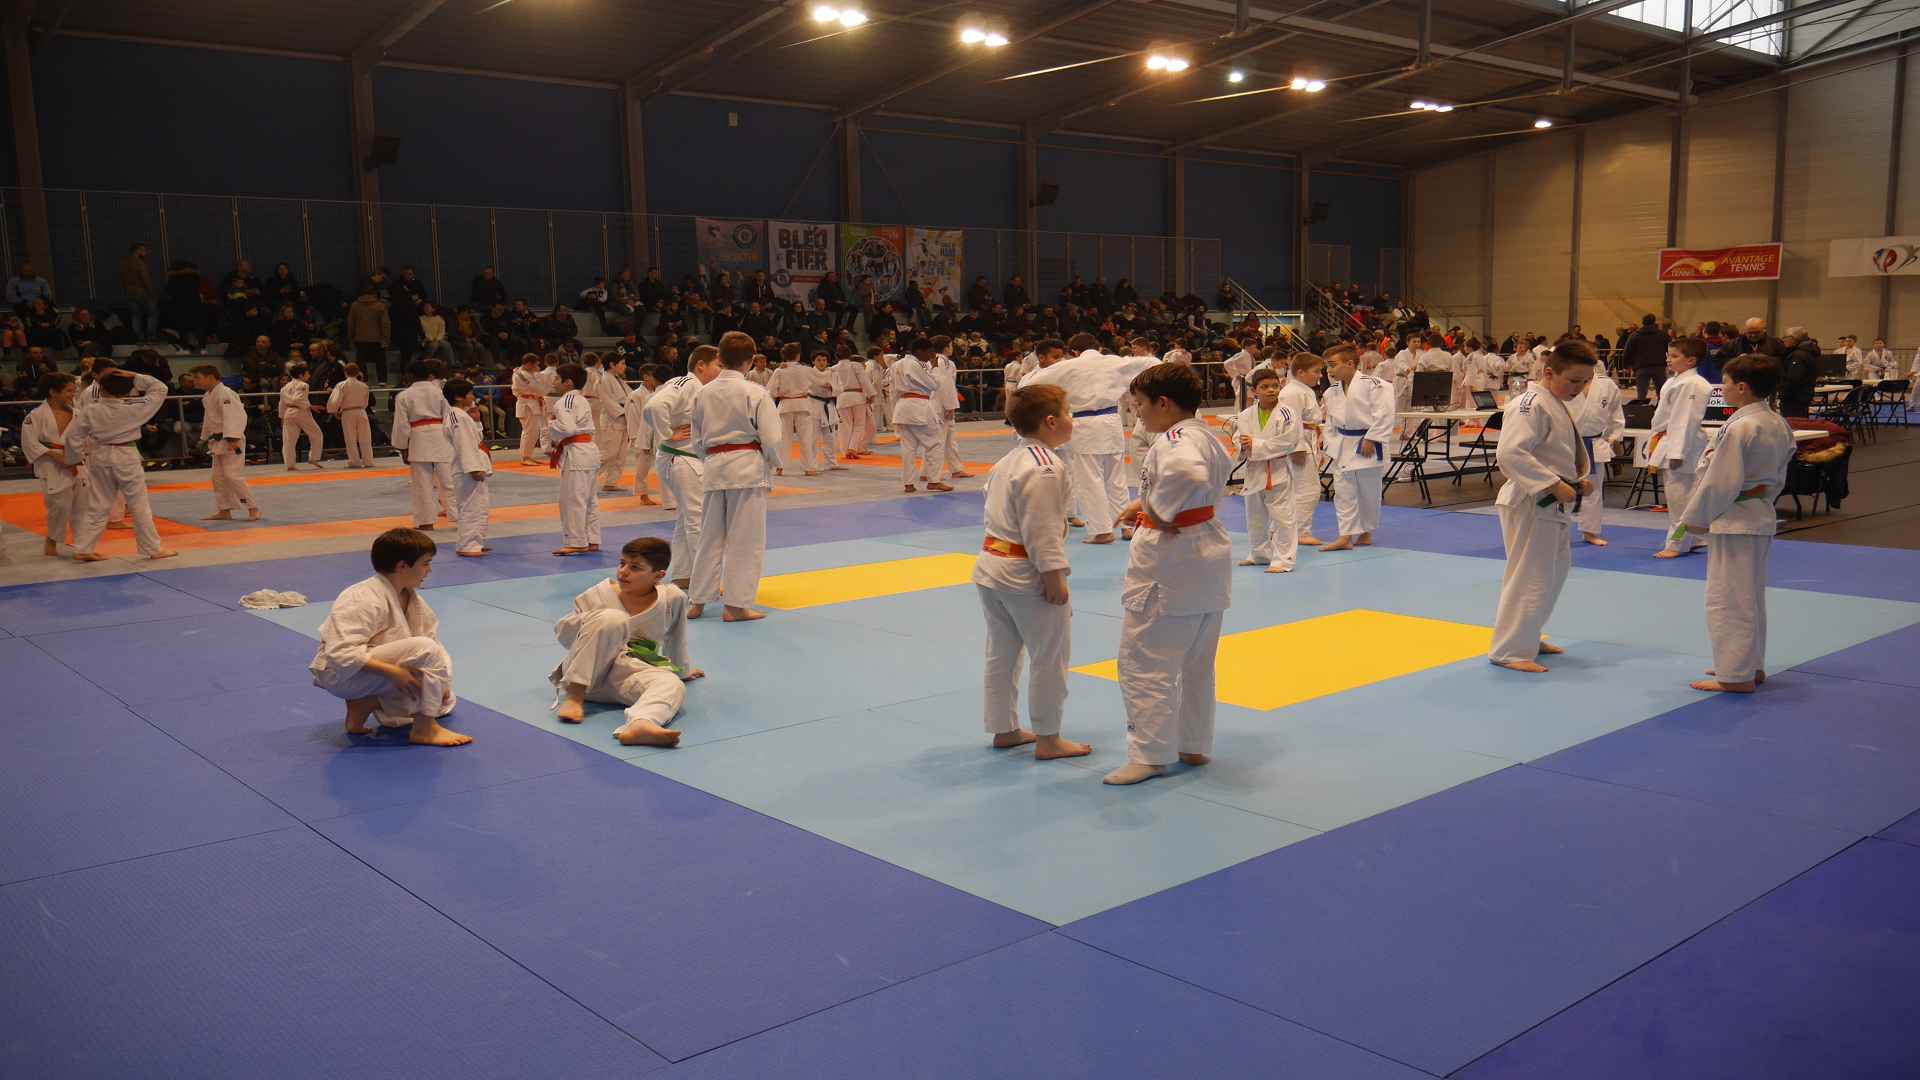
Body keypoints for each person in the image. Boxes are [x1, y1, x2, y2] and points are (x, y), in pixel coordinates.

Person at [1104, 362, 1234, 786]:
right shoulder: (1204, 434)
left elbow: (1185, 472)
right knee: (1197, 661)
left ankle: (1149, 755)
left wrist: (1159, 511)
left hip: (1170, 561)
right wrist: (1145, 503)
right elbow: (1201, 480)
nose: (1137, 413)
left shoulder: (1175, 439)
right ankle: (1193, 744)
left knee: (1145, 661)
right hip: (1205, 553)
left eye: (1140, 404)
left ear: (1163, 403)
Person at [975, 383, 1091, 760]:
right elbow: (1040, 527)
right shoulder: (1044, 467)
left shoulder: (1010, 459)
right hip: (1024, 572)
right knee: (1049, 657)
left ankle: (1004, 728)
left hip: (992, 566)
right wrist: (1053, 574)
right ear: (1051, 421)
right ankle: (1048, 738)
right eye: (1069, 412)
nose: (1073, 419)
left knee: (1002, 652)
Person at [1679, 354, 1796, 694]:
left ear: (1742, 387)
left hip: (1734, 519)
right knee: (1750, 596)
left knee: (1729, 598)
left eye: (1726, 383)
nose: (1722, 389)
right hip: (1758, 515)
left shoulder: (1741, 426)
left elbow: (1720, 481)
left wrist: (1695, 519)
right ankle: (1749, 665)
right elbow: (1778, 477)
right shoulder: (1776, 422)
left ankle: (1735, 675)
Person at [1488, 340, 1597, 674]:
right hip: (1531, 501)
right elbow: (1510, 453)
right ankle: (1510, 650)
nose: (1579, 388)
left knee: (1552, 574)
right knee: (1530, 576)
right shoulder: (1529, 403)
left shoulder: (1554, 401)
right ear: (1549, 372)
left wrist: (1577, 479)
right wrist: (1552, 483)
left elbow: (1552, 452)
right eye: (1573, 380)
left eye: (1585, 382)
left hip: (1551, 503)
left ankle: (1529, 636)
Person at [309, 528, 469, 746]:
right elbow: (340, 653)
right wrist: (393, 672)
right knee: (426, 651)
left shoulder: (410, 597)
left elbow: (433, 643)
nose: (429, 570)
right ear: (402, 566)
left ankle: (365, 703)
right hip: (342, 674)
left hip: (370, 671)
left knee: (444, 702)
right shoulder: (361, 598)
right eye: (425, 563)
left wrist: (442, 682)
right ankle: (425, 729)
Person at [551, 537, 705, 746]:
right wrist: (596, 623)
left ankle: (642, 723)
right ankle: (574, 697)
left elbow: (676, 637)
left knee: (671, 683)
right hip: (587, 673)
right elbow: (565, 635)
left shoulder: (672, 598)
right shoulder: (599, 594)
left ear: (658, 575)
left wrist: (682, 671)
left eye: (635, 567)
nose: (623, 572)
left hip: (626, 675)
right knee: (612, 618)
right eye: (622, 563)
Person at [688, 331, 784, 623]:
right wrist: (774, 463)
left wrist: (711, 459)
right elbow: (771, 438)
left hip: (714, 467)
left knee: (709, 537)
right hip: (747, 468)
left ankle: (697, 601)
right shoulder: (756, 392)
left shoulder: (703, 393)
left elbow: (696, 440)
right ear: (751, 360)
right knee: (746, 540)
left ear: (719, 358)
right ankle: (736, 606)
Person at [1021, 333, 1153, 545]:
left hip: (1086, 424)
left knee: (1090, 480)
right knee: (1116, 478)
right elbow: (1151, 363)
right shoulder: (1115, 361)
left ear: (1074, 351)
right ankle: (1127, 526)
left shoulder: (1069, 366)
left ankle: (1101, 531)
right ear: (1098, 347)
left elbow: (1028, 384)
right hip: (1112, 420)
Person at [65, 369, 177, 563]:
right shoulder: (135, 406)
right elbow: (160, 388)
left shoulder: (90, 409)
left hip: (99, 454)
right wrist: (133, 375)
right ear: (129, 390)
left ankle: (83, 548)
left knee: (98, 503)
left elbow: (73, 437)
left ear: (100, 388)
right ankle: (153, 548)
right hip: (126, 455)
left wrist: (74, 460)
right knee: (138, 504)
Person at [644, 345, 723, 586]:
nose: (721, 370)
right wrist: (667, 434)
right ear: (701, 365)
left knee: (686, 519)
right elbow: (653, 406)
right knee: (698, 520)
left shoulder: (700, 389)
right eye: (718, 365)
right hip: (681, 458)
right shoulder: (686, 383)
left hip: (685, 459)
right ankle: (706, 579)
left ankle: (682, 574)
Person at [1316, 343, 1394, 552]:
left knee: (1369, 492)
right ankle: (1345, 535)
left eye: (1333, 365)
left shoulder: (1376, 385)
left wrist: (1372, 438)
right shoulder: (1331, 392)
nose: (1329, 370)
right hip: (1343, 445)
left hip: (1367, 445)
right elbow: (1330, 422)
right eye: (1327, 366)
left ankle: (1366, 533)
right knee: (1343, 493)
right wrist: (1330, 444)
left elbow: (1385, 414)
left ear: (1350, 363)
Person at [1649, 338, 1712, 559]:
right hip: (1673, 439)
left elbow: (1684, 420)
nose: (1668, 359)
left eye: (1674, 356)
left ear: (1691, 360)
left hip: (1684, 446)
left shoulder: (1693, 384)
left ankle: (1677, 544)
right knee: (1684, 497)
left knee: (1680, 500)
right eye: (1668, 355)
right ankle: (1695, 538)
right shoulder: (1675, 381)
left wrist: (1677, 452)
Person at [1235, 368, 1301, 573]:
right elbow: (1239, 438)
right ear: (1255, 391)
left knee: (1282, 516)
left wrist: (1255, 444)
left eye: (1274, 386)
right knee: (1254, 516)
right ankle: (1260, 554)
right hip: (1254, 470)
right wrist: (1243, 444)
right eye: (1265, 387)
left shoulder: (1287, 414)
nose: (1271, 390)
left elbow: (1288, 442)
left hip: (1277, 469)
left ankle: (1283, 560)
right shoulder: (1245, 415)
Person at [183, 366, 261, 522]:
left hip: (232, 440)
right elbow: (208, 419)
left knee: (232, 475)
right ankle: (224, 510)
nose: (195, 381)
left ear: (210, 377)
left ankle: (253, 508)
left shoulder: (226, 393)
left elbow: (236, 416)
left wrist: (233, 438)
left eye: (198, 377)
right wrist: (204, 438)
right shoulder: (208, 395)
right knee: (217, 477)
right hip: (217, 441)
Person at [21, 372, 85, 556]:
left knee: (82, 506)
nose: (73, 394)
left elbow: (87, 439)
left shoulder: (78, 414)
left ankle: (83, 546)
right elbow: (29, 442)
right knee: (59, 506)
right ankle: (51, 541)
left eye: (74, 390)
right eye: (68, 391)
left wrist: (76, 456)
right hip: (50, 465)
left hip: (78, 463)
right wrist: (56, 457)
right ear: (53, 392)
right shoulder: (36, 415)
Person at [391, 360, 454, 530]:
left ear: (410, 375)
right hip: (441, 435)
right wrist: (454, 438)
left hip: (418, 438)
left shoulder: (404, 395)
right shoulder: (438, 392)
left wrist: (403, 447)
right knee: (449, 480)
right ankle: (460, 517)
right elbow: (449, 416)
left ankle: (425, 522)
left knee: (422, 483)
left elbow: (401, 425)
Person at [548, 361, 602, 556]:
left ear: (568, 382)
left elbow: (568, 428)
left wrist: (550, 424)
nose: (554, 382)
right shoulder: (580, 399)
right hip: (587, 451)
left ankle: (576, 542)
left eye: (557, 378)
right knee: (589, 499)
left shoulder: (566, 400)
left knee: (573, 500)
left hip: (577, 453)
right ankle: (591, 538)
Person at [1571, 356, 1625, 547]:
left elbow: (1616, 414)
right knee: (1558, 487)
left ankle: (1590, 531)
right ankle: (1553, 530)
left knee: (1593, 490)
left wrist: (1613, 437)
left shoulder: (1606, 385)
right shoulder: (1565, 380)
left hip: (1593, 443)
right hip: (1565, 442)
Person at [893, 340, 953, 494]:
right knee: (935, 443)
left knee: (908, 448)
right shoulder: (914, 364)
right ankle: (934, 481)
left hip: (902, 406)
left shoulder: (897, 364)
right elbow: (934, 385)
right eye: (929, 352)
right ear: (920, 351)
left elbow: (893, 389)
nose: (931, 355)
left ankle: (908, 483)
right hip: (918, 405)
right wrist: (934, 368)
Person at [1281, 353, 1327, 546]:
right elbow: (1290, 423)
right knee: (1308, 489)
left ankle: (1290, 531)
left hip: (1307, 440)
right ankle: (1300, 532)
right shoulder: (1292, 393)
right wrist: (1297, 448)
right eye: (1316, 371)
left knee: (1298, 489)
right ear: (1300, 372)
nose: (1320, 375)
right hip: (1298, 444)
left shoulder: (1302, 390)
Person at [768, 343, 821, 476]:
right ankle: (809, 467)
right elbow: (820, 379)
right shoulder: (806, 369)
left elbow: (771, 391)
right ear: (798, 356)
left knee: (783, 437)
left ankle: (779, 467)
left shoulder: (779, 371)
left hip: (785, 404)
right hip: (803, 404)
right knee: (806, 437)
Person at [278, 361, 327, 470]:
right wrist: (309, 406)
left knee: (289, 440)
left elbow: (281, 404)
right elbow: (297, 399)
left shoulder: (284, 388)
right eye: (307, 373)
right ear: (301, 375)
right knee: (316, 434)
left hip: (288, 413)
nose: (309, 375)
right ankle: (313, 458)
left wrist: (281, 417)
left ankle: (290, 465)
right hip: (300, 412)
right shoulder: (303, 385)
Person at [624, 365, 662, 506]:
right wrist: (635, 438)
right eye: (653, 375)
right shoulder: (636, 395)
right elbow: (633, 418)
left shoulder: (656, 393)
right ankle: (643, 496)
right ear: (646, 376)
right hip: (640, 436)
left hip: (655, 435)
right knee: (642, 468)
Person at [594, 353, 631, 494]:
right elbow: (607, 401)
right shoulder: (603, 379)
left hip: (624, 419)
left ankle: (611, 482)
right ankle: (586, 479)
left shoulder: (618, 379)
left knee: (621, 455)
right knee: (609, 453)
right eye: (622, 363)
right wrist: (623, 413)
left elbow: (631, 397)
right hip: (612, 420)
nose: (624, 366)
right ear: (612, 364)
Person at [328, 362, 375, 468]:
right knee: (365, 437)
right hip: (361, 411)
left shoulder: (341, 385)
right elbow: (366, 403)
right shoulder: (364, 386)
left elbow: (335, 401)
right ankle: (368, 461)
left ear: (345, 372)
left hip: (348, 412)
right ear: (358, 373)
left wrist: (334, 410)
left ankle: (355, 461)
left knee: (350, 438)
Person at [832, 344, 876, 457]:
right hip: (857, 397)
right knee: (859, 424)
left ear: (837, 356)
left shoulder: (833, 368)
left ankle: (845, 450)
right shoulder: (855, 365)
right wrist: (871, 394)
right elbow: (864, 381)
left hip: (842, 398)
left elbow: (832, 386)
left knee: (845, 425)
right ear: (849, 354)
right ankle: (852, 448)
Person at [1621, 313, 1671, 401]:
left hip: (1641, 367)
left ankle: (1641, 408)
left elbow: (1627, 351)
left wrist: (1626, 365)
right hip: (1659, 366)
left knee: (1641, 393)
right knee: (1661, 392)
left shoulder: (1635, 335)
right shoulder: (1663, 335)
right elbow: (1670, 348)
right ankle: (1661, 407)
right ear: (1654, 322)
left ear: (1642, 322)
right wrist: (1669, 362)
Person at [347, 288, 391, 385]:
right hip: (377, 338)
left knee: (361, 361)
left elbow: (351, 323)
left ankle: (363, 380)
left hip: (360, 338)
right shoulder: (380, 305)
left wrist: (351, 337)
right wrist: (386, 339)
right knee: (380, 361)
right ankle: (382, 381)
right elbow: (385, 324)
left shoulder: (355, 305)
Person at [510, 353, 548, 465]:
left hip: (532, 403)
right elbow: (536, 388)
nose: (537, 367)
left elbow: (541, 388)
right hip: (526, 405)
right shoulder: (519, 374)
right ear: (528, 364)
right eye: (535, 364)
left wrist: (537, 374)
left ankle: (527, 456)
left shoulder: (531, 373)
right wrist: (537, 375)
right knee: (529, 431)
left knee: (533, 432)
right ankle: (525, 457)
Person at [1778, 326, 1819, 418]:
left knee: (1793, 424)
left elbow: (1793, 379)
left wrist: (1782, 393)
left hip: (1794, 399)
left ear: (1794, 339)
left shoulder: (1797, 356)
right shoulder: (1808, 352)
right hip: (1802, 398)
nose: (1783, 340)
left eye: (1785, 337)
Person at [121, 243, 157, 342]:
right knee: (152, 313)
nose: (145, 253)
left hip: (130, 292)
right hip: (142, 292)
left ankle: (137, 338)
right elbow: (146, 279)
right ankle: (151, 337)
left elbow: (123, 280)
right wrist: (152, 293)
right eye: (143, 250)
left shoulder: (124, 263)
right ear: (137, 251)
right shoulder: (140, 263)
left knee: (135, 315)